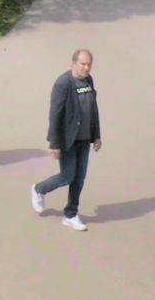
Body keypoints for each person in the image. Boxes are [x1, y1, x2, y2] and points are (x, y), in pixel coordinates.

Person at [34, 49, 103, 231]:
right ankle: (39, 190)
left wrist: (96, 135)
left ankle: (70, 215)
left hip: (85, 138)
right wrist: (55, 144)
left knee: (79, 179)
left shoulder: (88, 81)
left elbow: (92, 109)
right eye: (83, 64)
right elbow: (55, 115)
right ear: (74, 63)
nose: (86, 68)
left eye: (89, 64)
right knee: (67, 176)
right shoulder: (63, 83)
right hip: (67, 140)